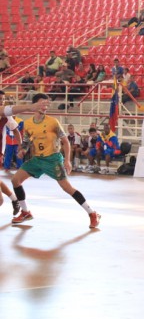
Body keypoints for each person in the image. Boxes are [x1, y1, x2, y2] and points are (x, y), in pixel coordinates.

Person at [10, 93, 100, 228]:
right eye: (42, 103)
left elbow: (65, 142)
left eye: (47, 104)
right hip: (37, 160)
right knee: (15, 180)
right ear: (35, 105)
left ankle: (92, 213)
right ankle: (25, 212)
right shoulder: (28, 123)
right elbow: (27, 141)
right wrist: (23, 150)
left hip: (53, 159)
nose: (45, 106)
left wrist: (67, 161)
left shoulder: (53, 122)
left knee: (67, 188)